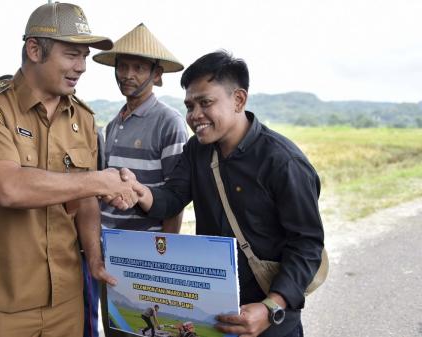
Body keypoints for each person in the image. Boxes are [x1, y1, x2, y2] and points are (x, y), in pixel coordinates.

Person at [0, 3, 136, 337]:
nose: (81, 67)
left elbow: (85, 200)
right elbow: (9, 188)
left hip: (66, 295)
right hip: (2, 294)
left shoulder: (83, 117)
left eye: (84, 56)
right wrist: (99, 179)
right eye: (71, 55)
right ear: (35, 50)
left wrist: (94, 258)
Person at [121, 51, 325, 337]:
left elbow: (307, 245)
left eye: (206, 103)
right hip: (214, 312)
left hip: (269, 317)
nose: (195, 116)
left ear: (239, 100)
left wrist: (271, 307)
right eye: (190, 106)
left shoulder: (282, 162)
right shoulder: (197, 150)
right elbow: (173, 197)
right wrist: (140, 193)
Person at [89, 23, 188, 337]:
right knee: (115, 326)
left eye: (138, 67)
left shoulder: (168, 122)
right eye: (122, 66)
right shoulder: (112, 124)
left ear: (157, 75)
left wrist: (166, 253)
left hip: (147, 251)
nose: (127, 74)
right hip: (110, 247)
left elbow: (176, 195)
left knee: (148, 327)